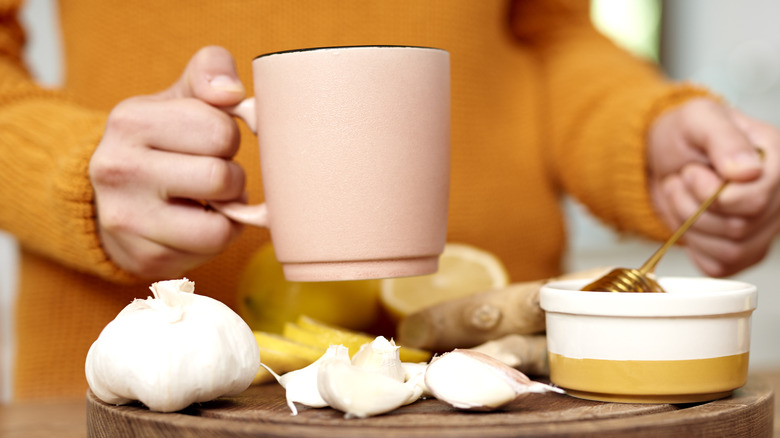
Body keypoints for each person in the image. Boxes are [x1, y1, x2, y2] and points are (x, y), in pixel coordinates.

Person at [1, 0, 778, 400]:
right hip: (144, 393)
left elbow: (547, 29)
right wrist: (68, 174)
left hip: (500, 376)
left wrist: (636, 137)